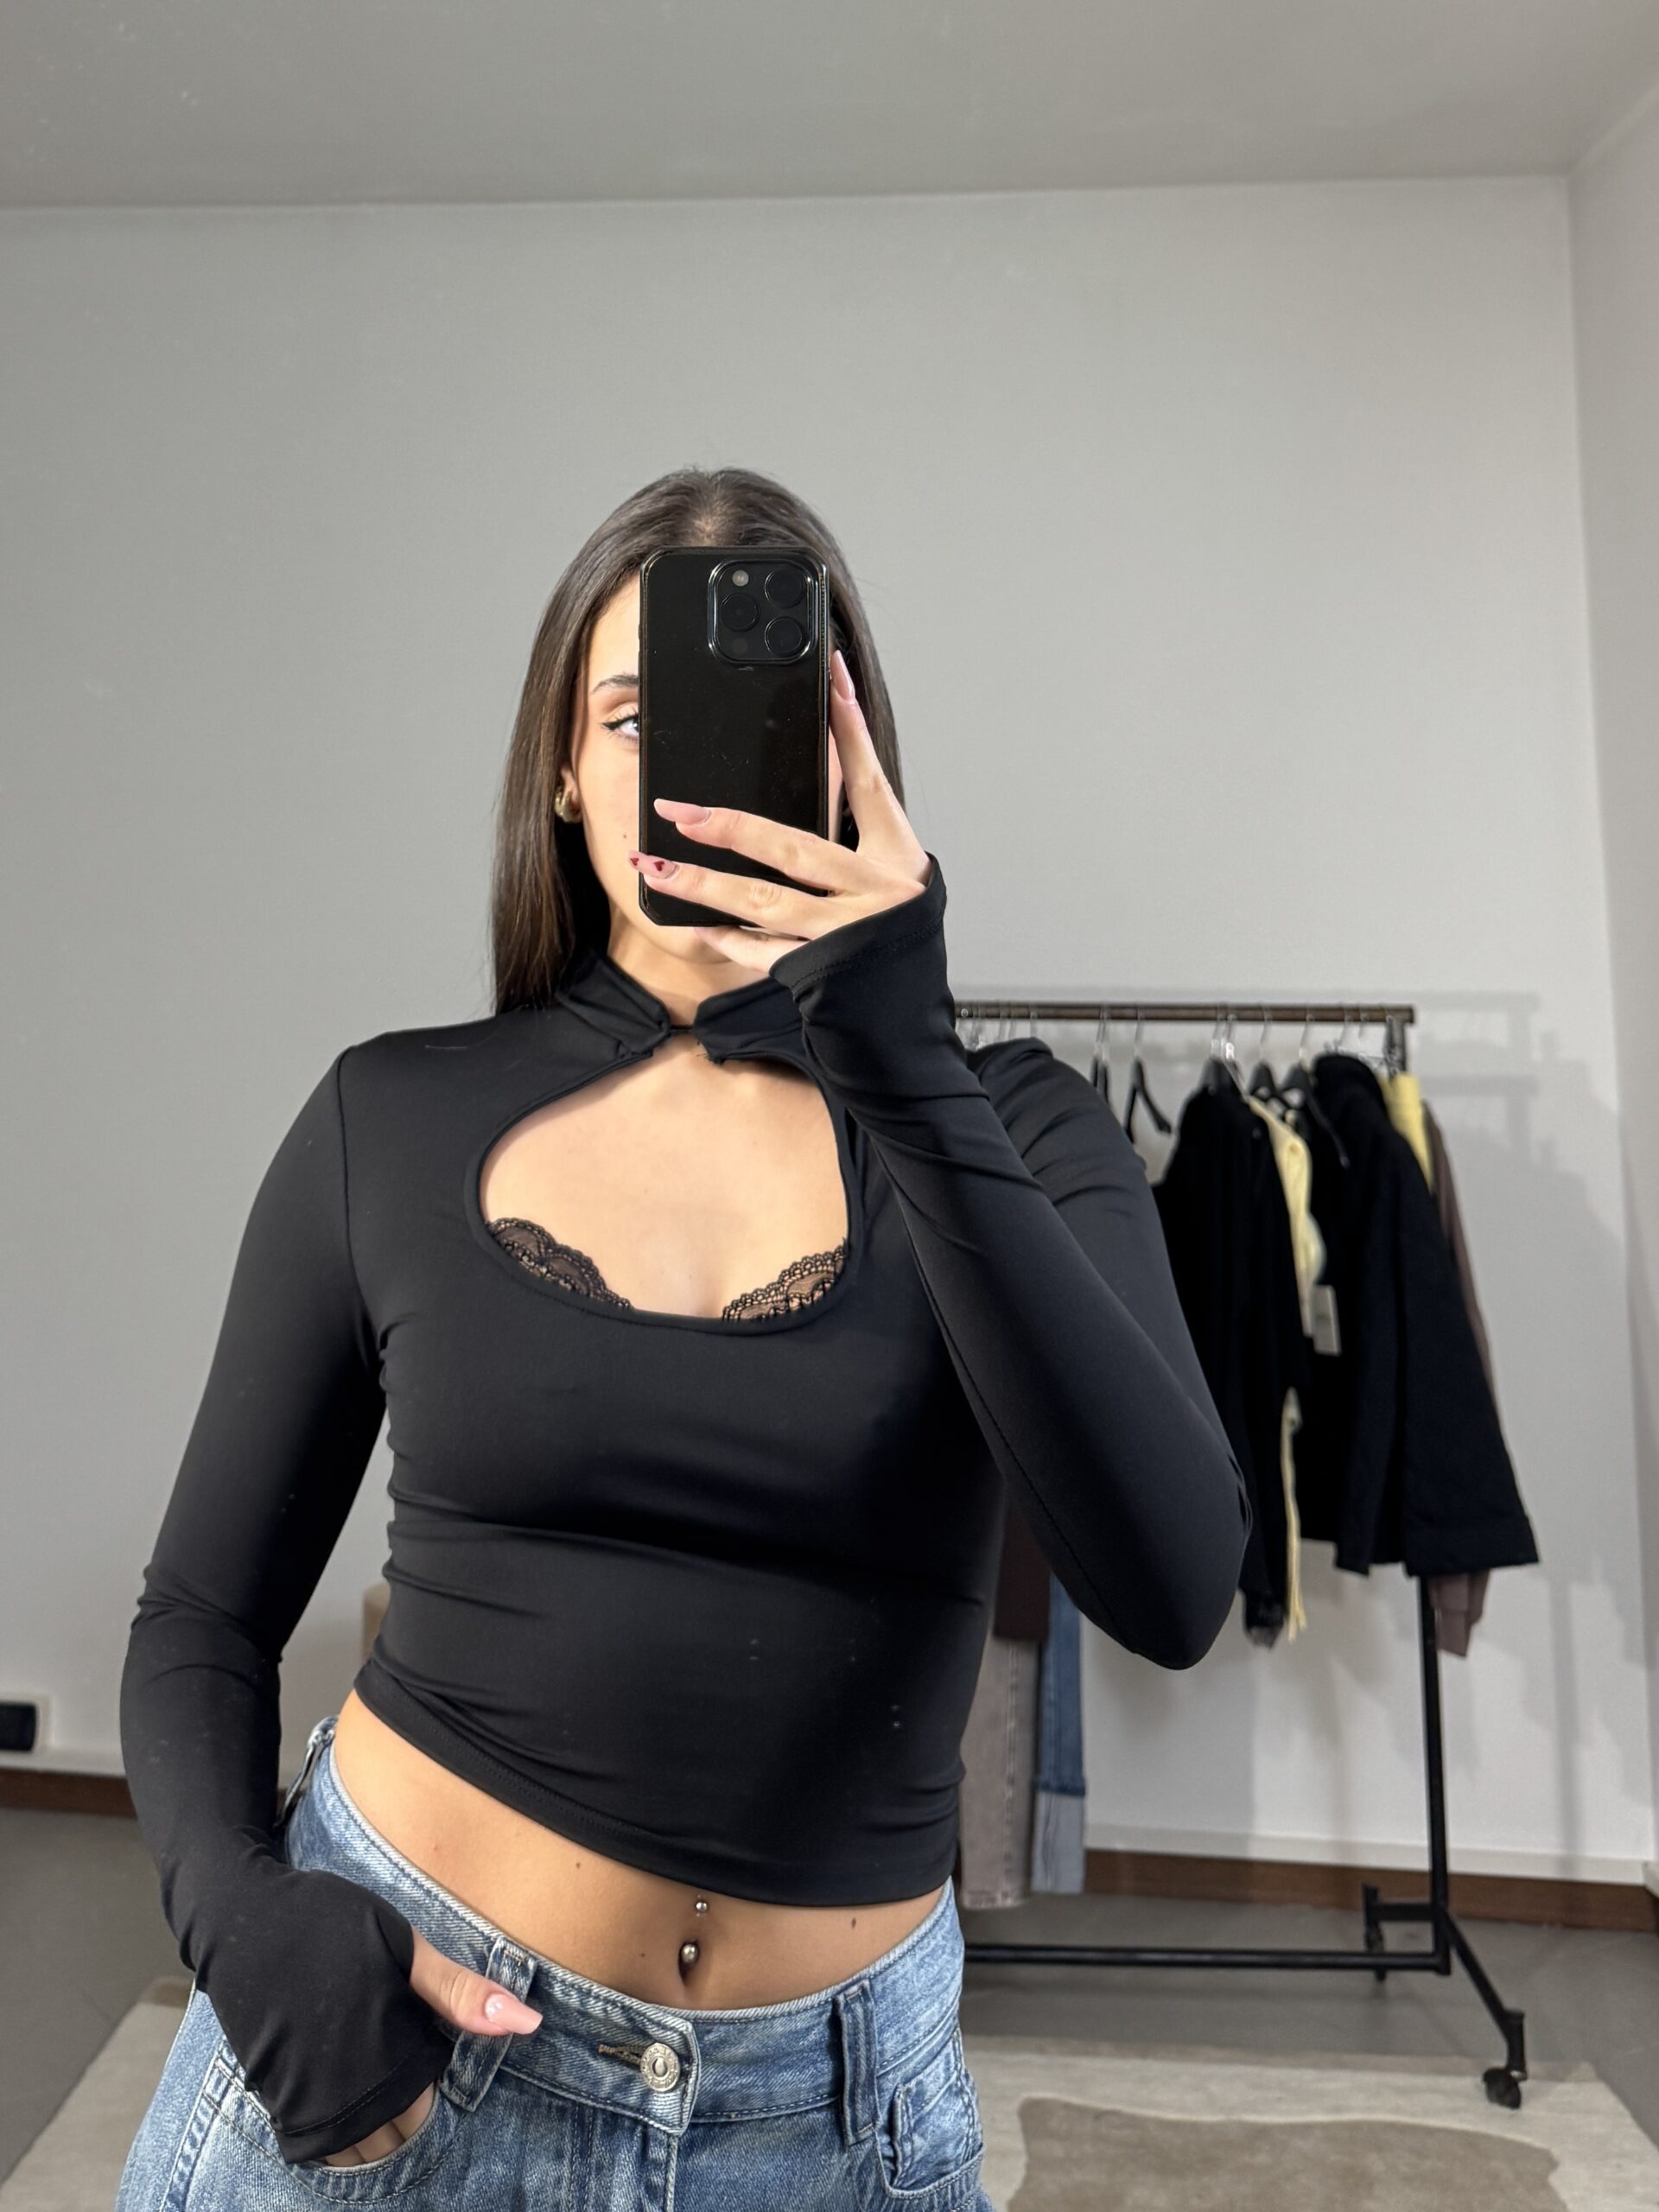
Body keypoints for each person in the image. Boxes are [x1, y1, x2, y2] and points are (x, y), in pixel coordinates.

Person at [116, 465, 1251, 2209]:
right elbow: (200, 1611)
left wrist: (904, 1056)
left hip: (842, 2127)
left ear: (845, 760)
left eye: (752, 713)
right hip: (404, 2049)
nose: (685, 768)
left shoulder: (1015, 1127)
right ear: (565, 773)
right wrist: (241, 1921)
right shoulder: (389, 1116)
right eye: (633, 715)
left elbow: (1172, 1586)